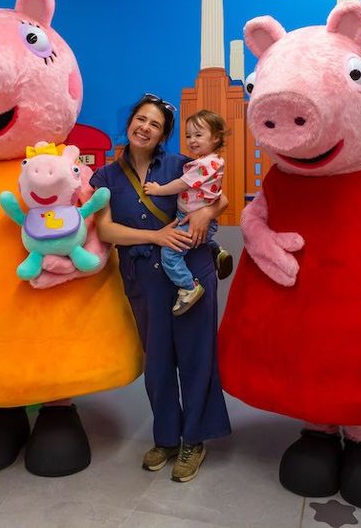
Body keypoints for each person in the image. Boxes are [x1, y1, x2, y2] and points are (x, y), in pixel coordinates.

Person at [90, 94, 232, 483]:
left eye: (155, 124)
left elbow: (221, 198)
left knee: (196, 355)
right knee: (157, 362)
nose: (145, 127)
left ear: (164, 134)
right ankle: (167, 437)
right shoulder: (106, 176)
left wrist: (205, 212)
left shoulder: (180, 165)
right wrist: (156, 236)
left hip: (191, 269)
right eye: (141, 119)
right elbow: (105, 229)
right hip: (144, 277)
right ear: (130, 122)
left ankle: (194, 440)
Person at [144, 109, 227, 315]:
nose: (192, 140)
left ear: (215, 137)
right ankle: (216, 250)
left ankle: (189, 287)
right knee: (199, 239)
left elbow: (181, 184)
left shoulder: (204, 165)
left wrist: (158, 190)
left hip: (191, 219)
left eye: (198, 135)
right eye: (189, 135)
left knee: (170, 254)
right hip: (192, 216)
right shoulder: (213, 162)